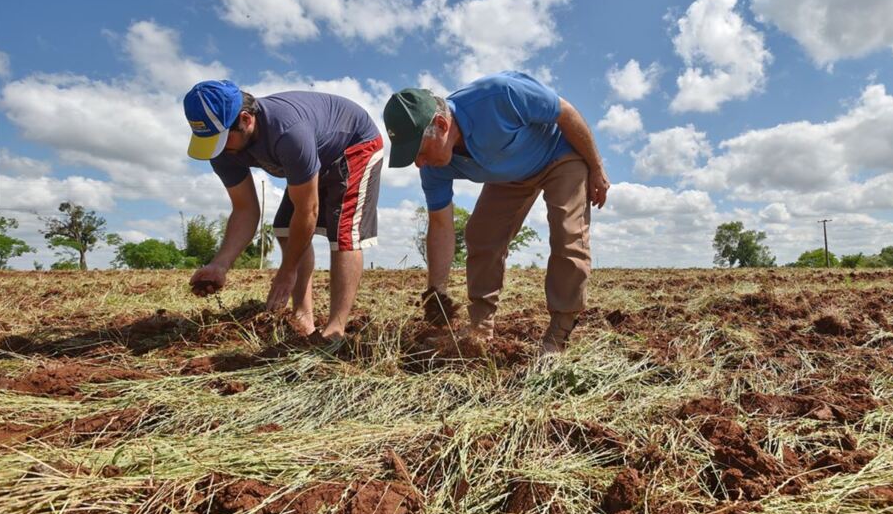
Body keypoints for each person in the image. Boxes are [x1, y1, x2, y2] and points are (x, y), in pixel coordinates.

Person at [383, 71, 608, 354]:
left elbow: (565, 112)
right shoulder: (434, 167)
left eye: (419, 151)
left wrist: (596, 168)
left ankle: (559, 333)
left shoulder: (499, 96)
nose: (419, 163)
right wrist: (435, 291)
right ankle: (480, 327)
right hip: (510, 174)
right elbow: (440, 226)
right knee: (482, 235)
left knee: (567, 232)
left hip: (559, 154)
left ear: (441, 125)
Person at [183, 80, 383, 343]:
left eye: (222, 138)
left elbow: (307, 210)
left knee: (344, 233)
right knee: (286, 230)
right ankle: (304, 315)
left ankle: (335, 329)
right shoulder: (220, 148)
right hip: (315, 153)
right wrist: (220, 264)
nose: (219, 149)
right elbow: (244, 210)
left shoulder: (289, 133)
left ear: (246, 119)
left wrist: (287, 270)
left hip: (354, 143)